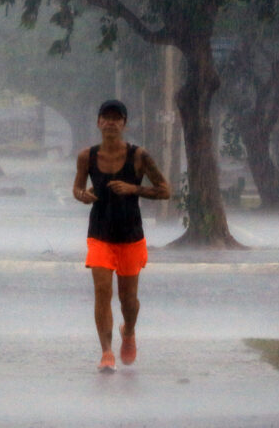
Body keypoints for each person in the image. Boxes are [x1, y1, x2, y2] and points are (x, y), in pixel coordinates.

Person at [72, 99, 170, 373]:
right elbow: (77, 188)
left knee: (129, 301)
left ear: (124, 124)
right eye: (106, 117)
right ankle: (106, 352)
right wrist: (83, 196)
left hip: (130, 236)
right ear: (98, 122)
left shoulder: (139, 156)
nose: (111, 122)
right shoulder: (87, 156)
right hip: (100, 235)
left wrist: (133, 189)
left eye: (117, 118)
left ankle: (128, 331)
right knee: (102, 292)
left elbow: (165, 190)